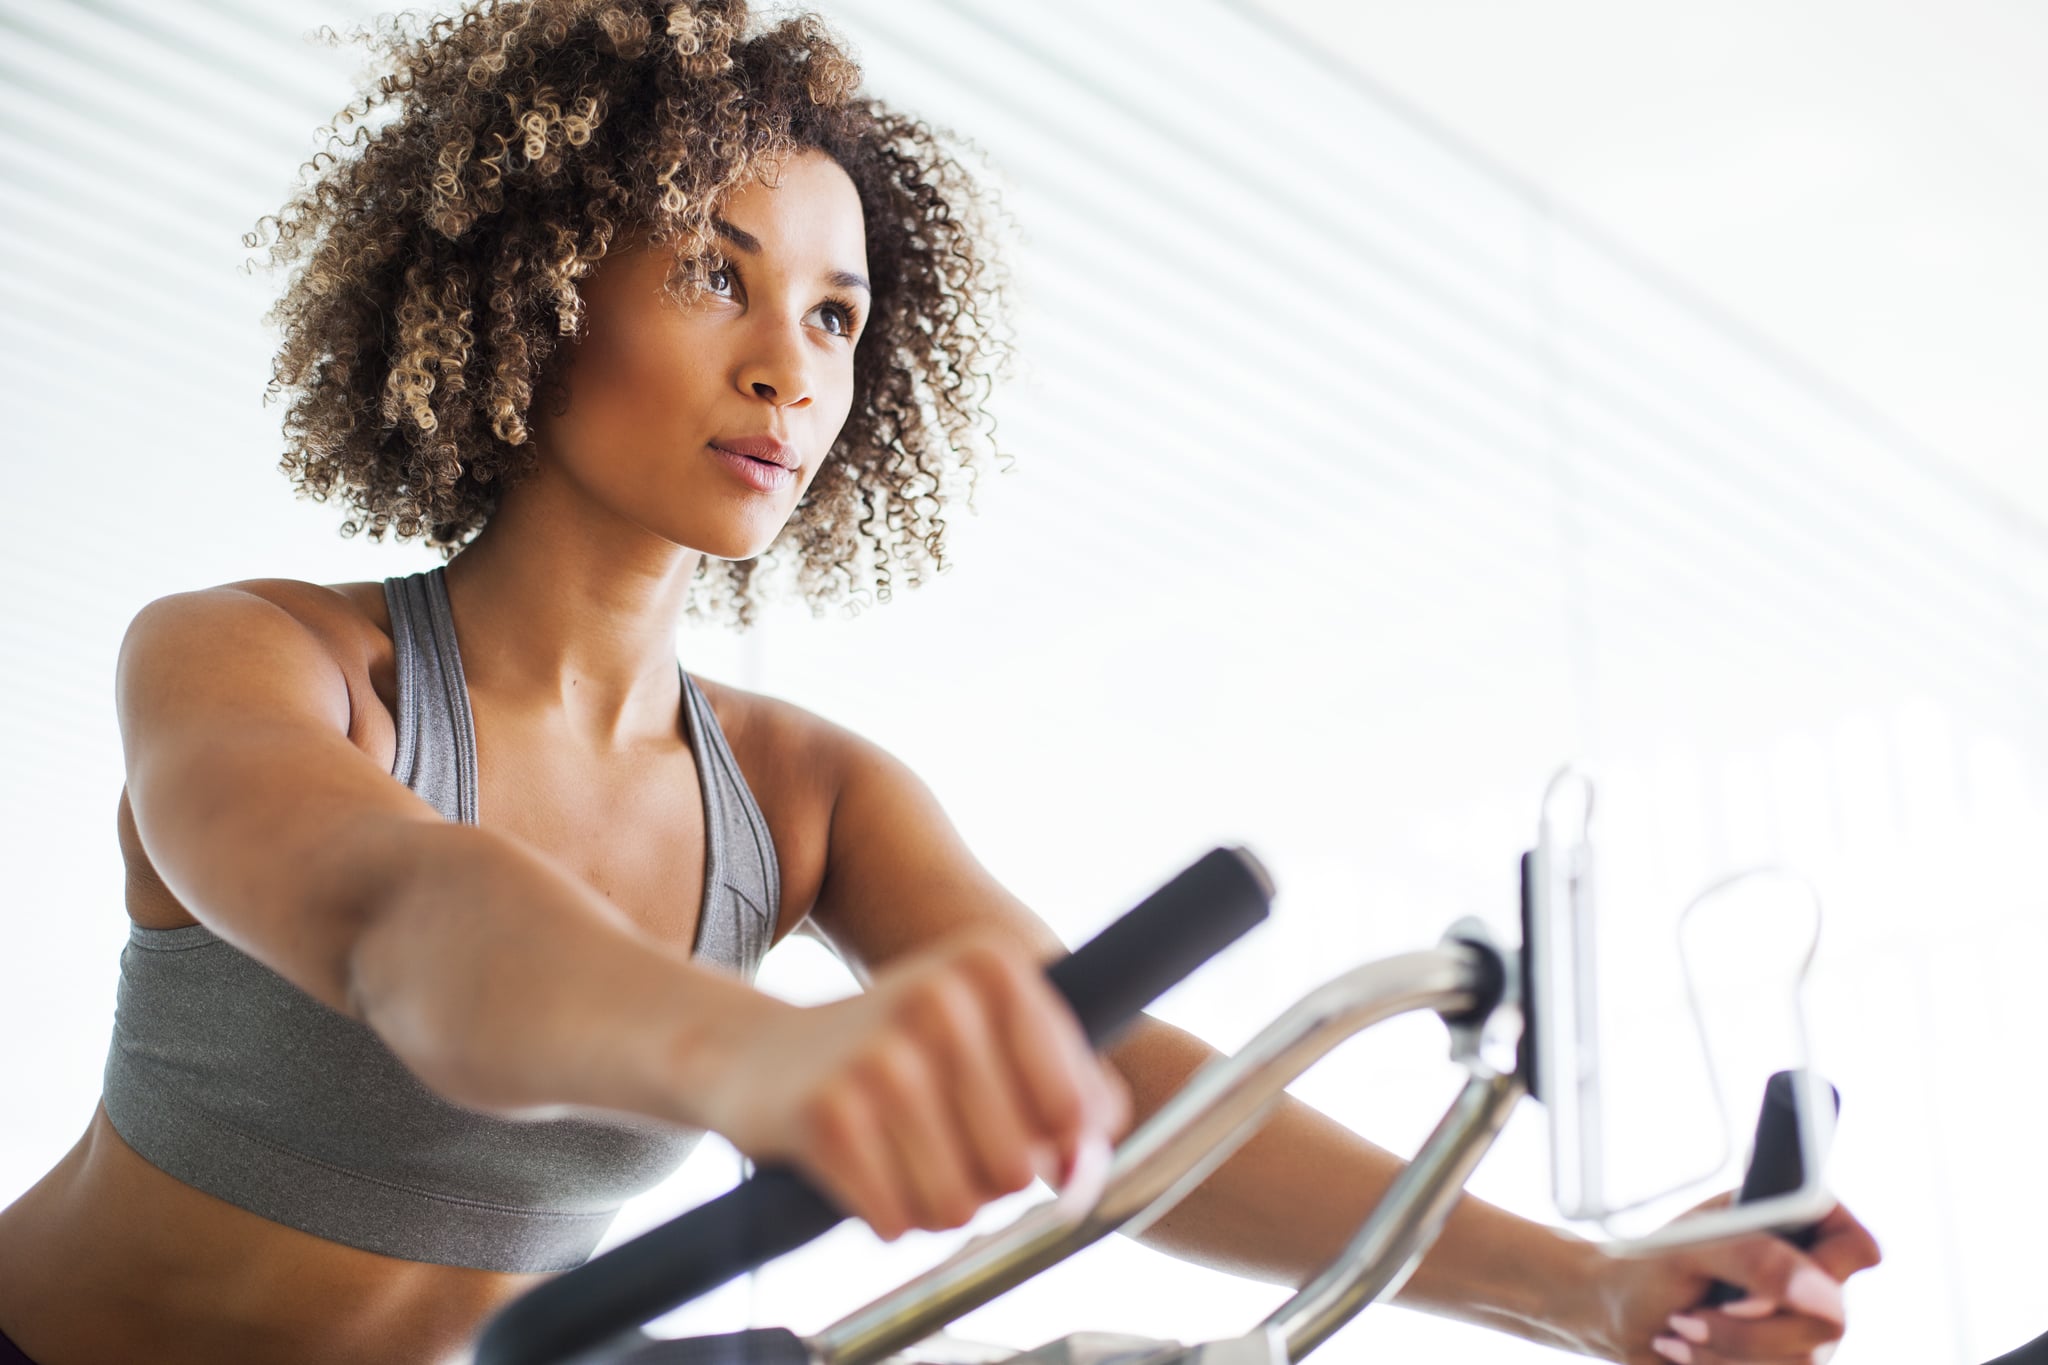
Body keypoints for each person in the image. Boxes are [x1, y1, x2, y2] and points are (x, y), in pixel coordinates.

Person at [0, 4, 1880, 1363]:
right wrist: (765, 1057)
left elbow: (1114, 1081)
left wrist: (1595, 1289)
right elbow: (411, 922)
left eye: (834, 313)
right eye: (713, 275)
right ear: (537, 280)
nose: (789, 369)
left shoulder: (808, 799)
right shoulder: (261, 657)